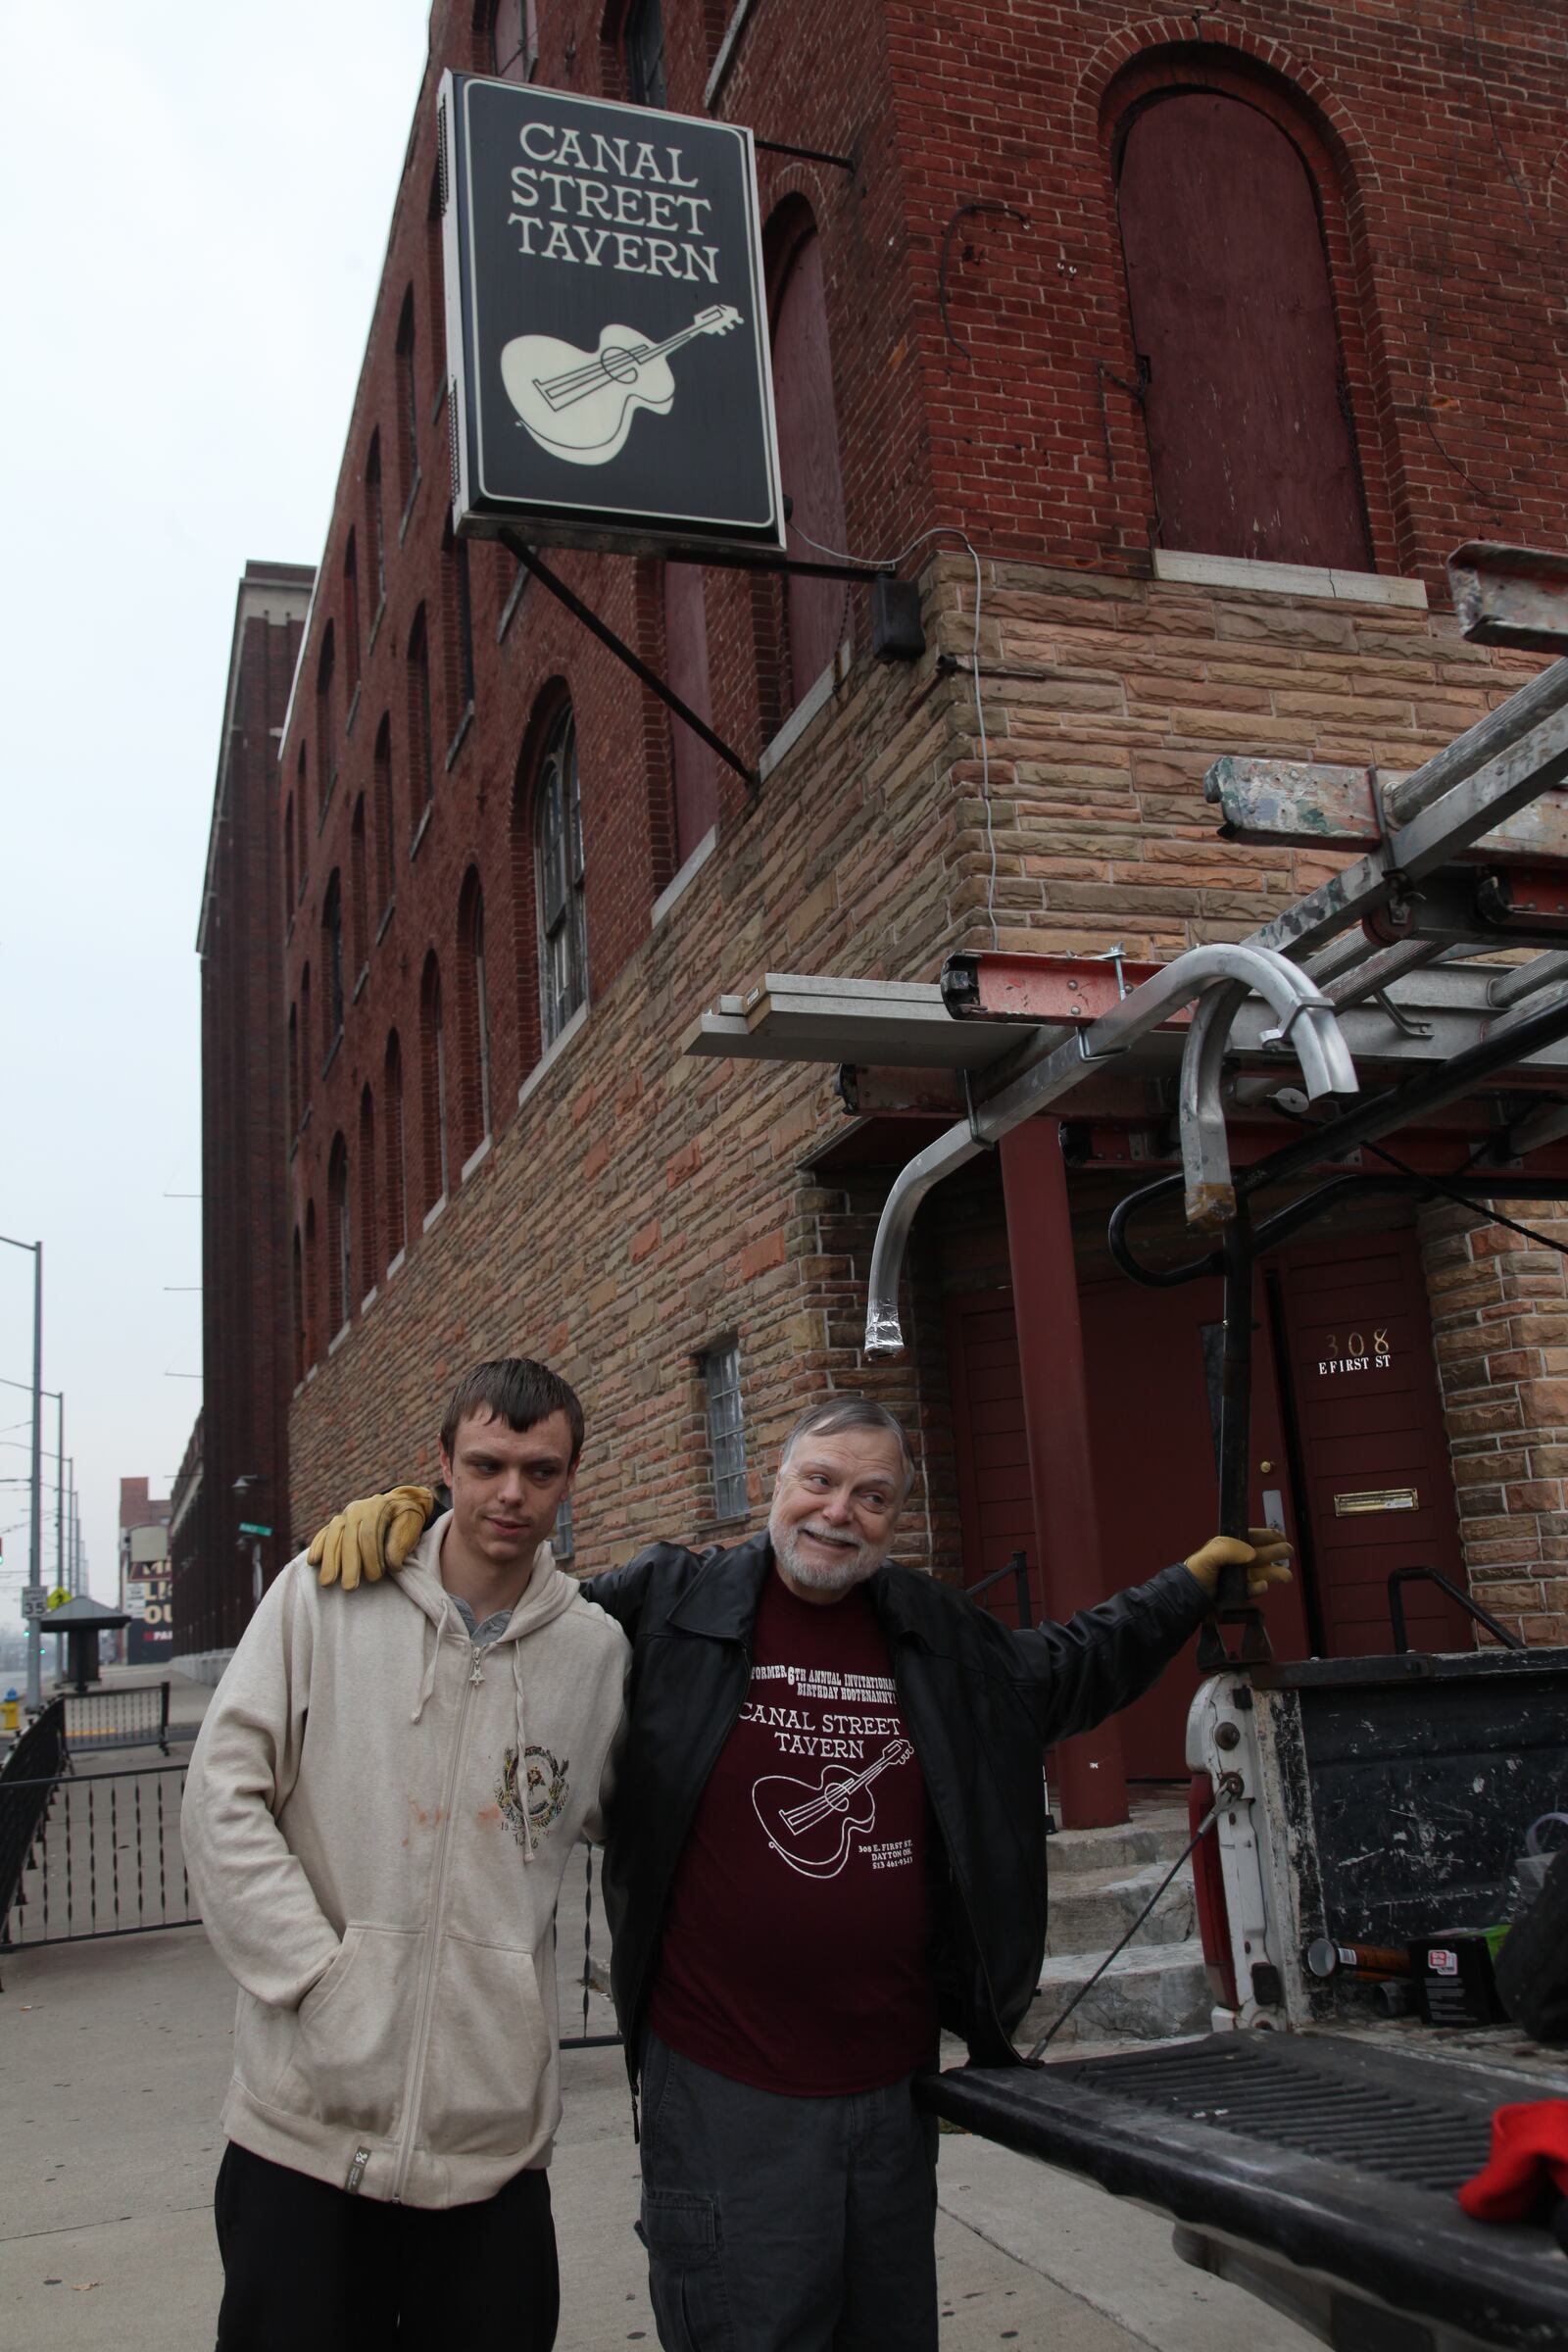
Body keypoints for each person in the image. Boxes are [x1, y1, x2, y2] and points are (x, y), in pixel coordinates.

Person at [310, 1394, 1290, 2352]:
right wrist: (420, 1529)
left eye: (871, 1497)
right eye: (818, 1482)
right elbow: (514, 1620)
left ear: (894, 1521)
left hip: (891, 2095)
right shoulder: (665, 1608)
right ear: (773, 1487)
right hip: (727, 2088)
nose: (838, 1512)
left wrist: (1189, 1586)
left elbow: (1071, 1666)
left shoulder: (937, 1637)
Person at [183, 1358, 629, 2352]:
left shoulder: (595, 1655)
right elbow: (222, 1792)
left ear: (570, 1479)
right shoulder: (325, 1593)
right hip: (302, 2128)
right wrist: (315, 1974)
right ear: (443, 1465)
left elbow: (640, 1817)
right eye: (486, 1464)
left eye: (541, 1470)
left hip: (490, 2145)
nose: (511, 1492)